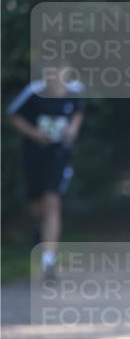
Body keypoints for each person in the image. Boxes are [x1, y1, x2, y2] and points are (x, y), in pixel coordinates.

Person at [6, 65, 85, 279]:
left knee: (52, 202)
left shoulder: (74, 91)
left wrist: (72, 131)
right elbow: (13, 115)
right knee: (37, 208)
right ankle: (41, 234)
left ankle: (48, 261)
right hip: (34, 155)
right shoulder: (34, 92)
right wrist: (35, 134)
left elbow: (79, 112)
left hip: (59, 156)